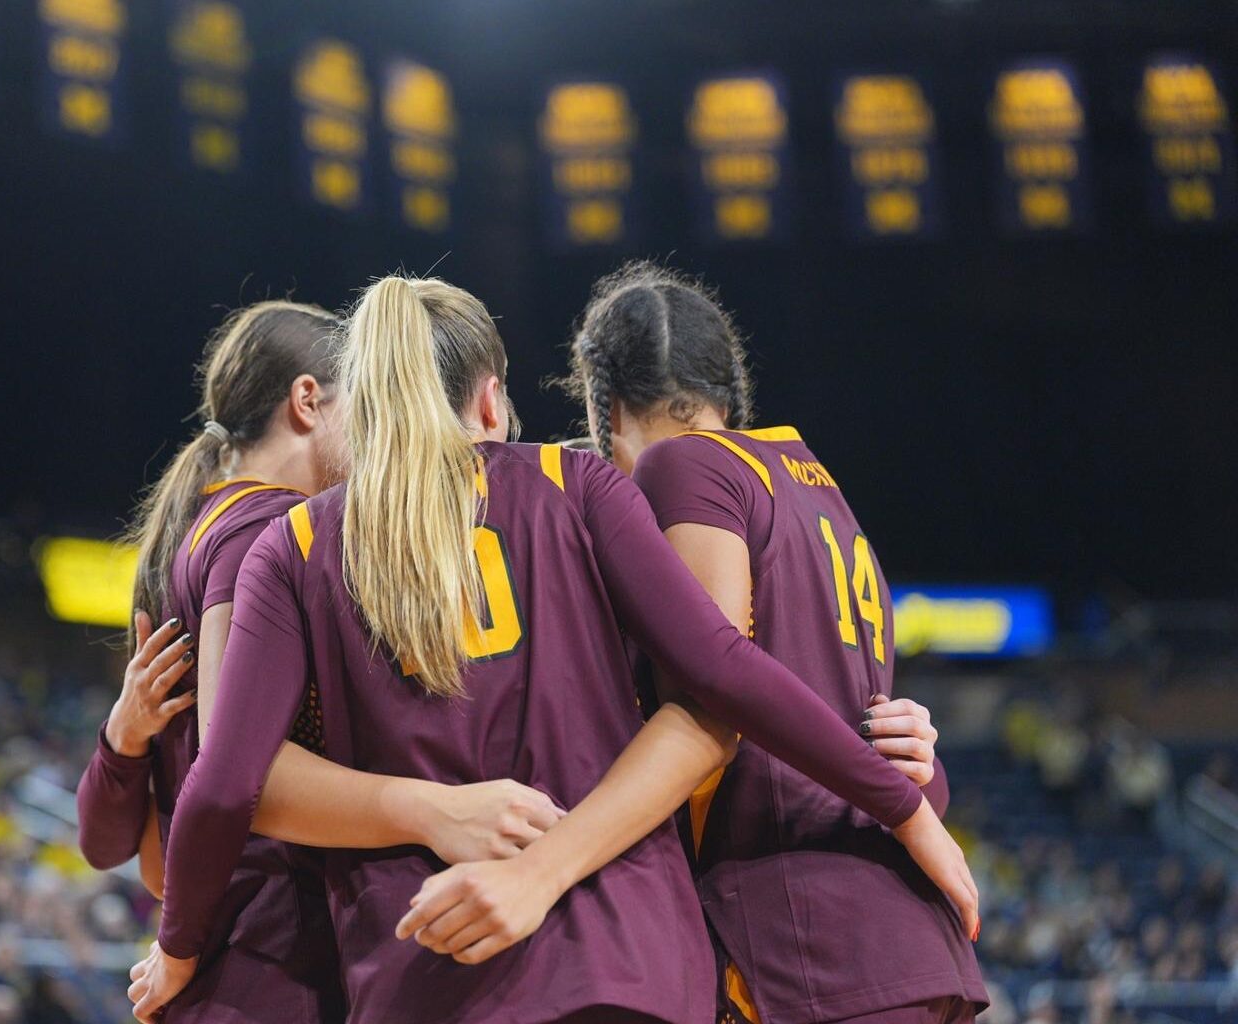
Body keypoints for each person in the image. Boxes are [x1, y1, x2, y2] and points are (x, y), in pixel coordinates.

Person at [129, 276, 977, 1023]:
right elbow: (721, 681)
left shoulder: (293, 543)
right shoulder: (589, 486)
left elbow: (223, 786)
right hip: (641, 956)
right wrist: (908, 797)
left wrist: (178, 948)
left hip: (425, 964)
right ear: (493, 401)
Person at [76, 301, 564, 1023]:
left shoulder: (198, 528)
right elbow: (230, 767)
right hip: (273, 961)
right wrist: (439, 807)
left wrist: (123, 745)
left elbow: (132, 849)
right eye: (362, 403)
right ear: (308, 401)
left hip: (232, 962)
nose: (377, 431)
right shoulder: (267, 532)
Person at [566, 262, 987, 1024]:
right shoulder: (815, 483)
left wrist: (908, 808)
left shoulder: (678, 465)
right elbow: (873, 733)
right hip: (901, 939)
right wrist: (921, 790)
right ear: (731, 388)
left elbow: (721, 680)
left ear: (609, 407)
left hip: (803, 940)